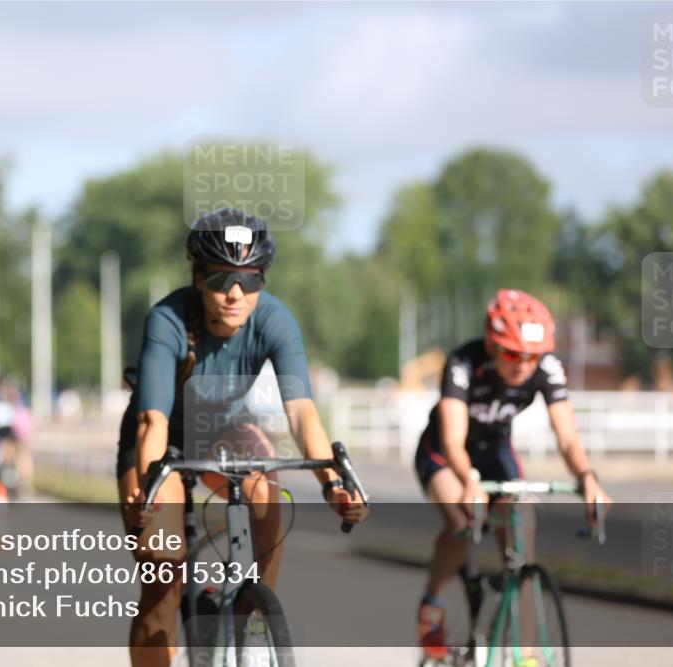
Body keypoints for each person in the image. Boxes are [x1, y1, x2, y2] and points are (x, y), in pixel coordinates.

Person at [118, 208, 368, 667]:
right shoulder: (167, 320)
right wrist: (150, 490)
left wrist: (332, 484)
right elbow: (151, 423)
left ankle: (254, 614)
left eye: (249, 281)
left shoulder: (276, 320)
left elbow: (303, 413)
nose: (235, 294)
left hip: (224, 428)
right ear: (198, 279)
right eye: (220, 280)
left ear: (262, 282)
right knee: (163, 572)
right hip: (162, 441)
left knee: (267, 493)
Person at [414, 288, 613, 662]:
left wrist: (588, 477)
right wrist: (469, 480)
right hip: (444, 452)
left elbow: (567, 436)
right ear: (491, 343)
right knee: (462, 516)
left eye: (531, 357)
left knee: (523, 524)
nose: (522, 366)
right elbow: (454, 439)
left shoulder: (547, 367)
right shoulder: (463, 362)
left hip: (495, 451)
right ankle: (433, 605)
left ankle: (525, 653)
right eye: (511, 354)